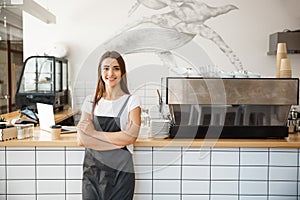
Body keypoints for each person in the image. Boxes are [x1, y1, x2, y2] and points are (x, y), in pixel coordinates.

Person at [76, 50, 141, 200]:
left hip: (121, 174)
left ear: (122, 72)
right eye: (106, 68)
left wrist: (93, 134)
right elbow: (82, 140)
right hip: (92, 173)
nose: (110, 73)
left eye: (116, 68)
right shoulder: (90, 101)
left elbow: (131, 137)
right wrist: (119, 139)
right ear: (100, 71)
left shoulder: (132, 101)